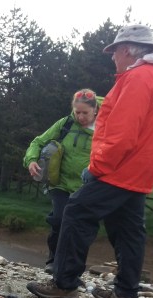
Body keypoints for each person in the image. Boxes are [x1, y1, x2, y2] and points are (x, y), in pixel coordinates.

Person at [26, 24, 153, 298]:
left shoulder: (139, 78)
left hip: (120, 168)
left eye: (114, 51)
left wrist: (97, 167)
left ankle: (64, 284)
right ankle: (125, 294)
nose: (112, 57)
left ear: (126, 50)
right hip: (141, 169)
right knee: (129, 229)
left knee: (76, 211)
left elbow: (122, 134)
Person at [24, 89, 101, 274]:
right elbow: (38, 142)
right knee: (59, 219)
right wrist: (31, 160)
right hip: (61, 183)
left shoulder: (106, 128)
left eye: (85, 113)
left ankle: (71, 269)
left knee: (80, 228)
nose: (80, 117)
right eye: (77, 112)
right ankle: (53, 261)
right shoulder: (66, 123)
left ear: (95, 110)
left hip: (87, 187)